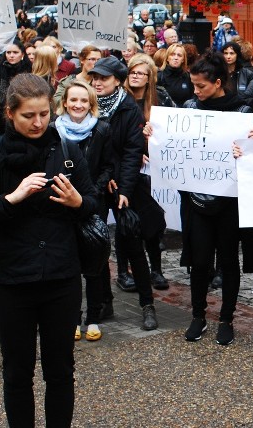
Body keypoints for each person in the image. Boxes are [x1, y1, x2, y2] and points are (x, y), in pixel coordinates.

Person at [0, 74, 99, 427]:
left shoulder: (67, 151)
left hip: (61, 276)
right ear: (10, 113)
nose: (38, 123)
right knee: (17, 372)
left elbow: (93, 203)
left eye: (43, 114)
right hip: (12, 280)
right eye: (29, 116)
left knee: (60, 371)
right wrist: (10, 199)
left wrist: (78, 201)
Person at [182, 52, 253, 347]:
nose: (195, 91)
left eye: (200, 86)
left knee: (228, 261)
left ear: (217, 83)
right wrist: (155, 133)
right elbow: (176, 143)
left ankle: (226, 318)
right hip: (198, 201)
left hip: (229, 201)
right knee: (200, 261)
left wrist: (252, 144)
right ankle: (198, 315)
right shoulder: (190, 107)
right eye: (192, 85)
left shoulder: (242, 112)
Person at [88, 57, 158, 330]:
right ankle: (104, 301)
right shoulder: (89, 106)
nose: (97, 82)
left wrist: (124, 189)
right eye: (95, 77)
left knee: (131, 243)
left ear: (117, 80)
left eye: (103, 78)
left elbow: (132, 153)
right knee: (96, 243)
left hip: (122, 187)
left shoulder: (128, 109)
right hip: (95, 184)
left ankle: (147, 304)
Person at [55, 80, 114, 343]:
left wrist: (91, 192)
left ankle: (93, 317)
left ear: (91, 104)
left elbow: (109, 165)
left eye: (83, 101)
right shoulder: (53, 130)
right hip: (62, 204)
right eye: (73, 100)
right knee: (69, 263)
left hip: (92, 205)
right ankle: (71, 317)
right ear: (65, 103)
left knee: (94, 265)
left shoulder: (101, 130)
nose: (78, 105)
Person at [124, 53, 173, 290]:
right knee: (128, 223)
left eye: (141, 73)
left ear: (149, 77)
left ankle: (156, 269)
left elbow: (172, 127)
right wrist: (134, 150)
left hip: (153, 169)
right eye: (132, 72)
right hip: (129, 169)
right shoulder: (120, 100)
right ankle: (125, 271)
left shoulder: (159, 98)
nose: (136, 76)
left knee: (154, 220)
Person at [0, 44, 32, 112]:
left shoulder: (29, 71)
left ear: (22, 54)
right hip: (2, 110)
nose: (11, 55)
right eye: (8, 52)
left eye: (15, 52)